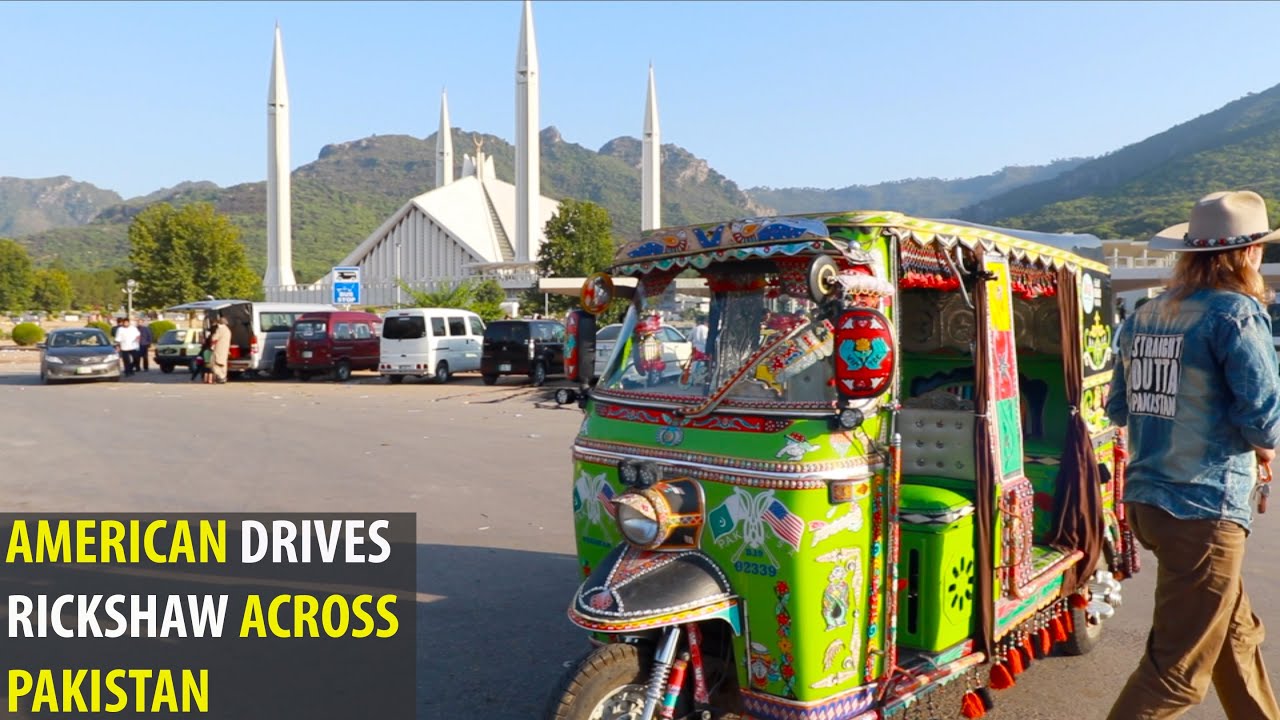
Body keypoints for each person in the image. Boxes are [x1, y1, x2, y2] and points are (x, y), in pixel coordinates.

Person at [1105, 190, 1280, 720]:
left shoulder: (1148, 313)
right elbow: (1264, 419)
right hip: (1204, 510)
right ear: (1248, 254)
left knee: (1236, 634)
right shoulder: (1236, 314)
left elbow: (1118, 406)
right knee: (1175, 677)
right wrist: (1262, 448)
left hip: (1150, 503)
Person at [209, 317, 232, 384]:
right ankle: (223, 377)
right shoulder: (228, 330)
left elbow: (214, 338)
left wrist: (212, 335)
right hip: (225, 349)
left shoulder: (220, 329)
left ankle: (221, 377)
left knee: (214, 363)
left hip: (219, 348)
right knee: (223, 363)